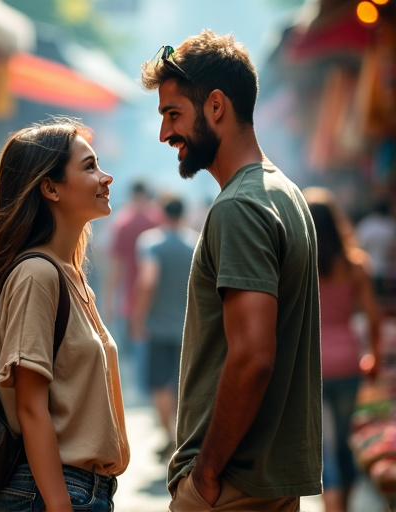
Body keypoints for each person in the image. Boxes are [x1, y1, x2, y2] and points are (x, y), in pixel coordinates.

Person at [140, 30, 322, 511]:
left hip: (231, 488)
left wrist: (205, 472)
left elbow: (252, 357)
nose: (165, 134)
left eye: (172, 113)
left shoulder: (239, 206)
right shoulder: (284, 193)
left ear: (215, 106)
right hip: (266, 482)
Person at [0, 117, 129, 512]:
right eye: (89, 166)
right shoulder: (36, 275)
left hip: (83, 491)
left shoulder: (69, 275)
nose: (107, 177)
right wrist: (60, 505)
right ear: (50, 187)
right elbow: (31, 408)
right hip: (53, 493)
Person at [303, 186, 381, 512]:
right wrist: (373, 355)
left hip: (311, 365)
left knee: (322, 445)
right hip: (349, 361)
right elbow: (373, 318)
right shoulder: (355, 265)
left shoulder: (297, 264)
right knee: (347, 443)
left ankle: (331, 506)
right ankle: (343, 507)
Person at [130, 194, 198, 461]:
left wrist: (138, 318)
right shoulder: (195, 242)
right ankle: (183, 437)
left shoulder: (151, 242)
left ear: (162, 213)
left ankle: (169, 436)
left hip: (158, 326)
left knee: (160, 384)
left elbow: (148, 281)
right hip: (189, 326)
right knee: (182, 384)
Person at [104, 180, 162, 402]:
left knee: (134, 345)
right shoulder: (157, 220)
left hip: (129, 296)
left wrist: (109, 301)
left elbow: (115, 267)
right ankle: (153, 392)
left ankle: (141, 391)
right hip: (157, 296)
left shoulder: (122, 223)